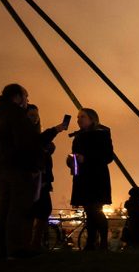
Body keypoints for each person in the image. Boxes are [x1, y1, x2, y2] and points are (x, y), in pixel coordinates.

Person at [0, 84, 45, 258]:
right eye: (25, 96)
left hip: (0, 166)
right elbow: (25, 144)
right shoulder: (17, 115)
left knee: (4, 206)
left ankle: (3, 249)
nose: (27, 100)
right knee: (18, 206)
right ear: (17, 96)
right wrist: (33, 167)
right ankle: (16, 248)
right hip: (17, 167)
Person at [69, 108, 115, 251]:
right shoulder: (78, 137)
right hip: (83, 178)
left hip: (97, 177)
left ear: (92, 119)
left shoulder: (102, 135)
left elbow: (108, 156)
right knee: (90, 211)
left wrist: (86, 158)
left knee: (95, 210)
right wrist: (71, 161)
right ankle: (92, 242)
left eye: (82, 117)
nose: (79, 120)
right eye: (78, 117)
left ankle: (101, 242)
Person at [26, 104, 66, 250]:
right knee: (41, 210)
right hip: (36, 179)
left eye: (36, 115)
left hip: (41, 179)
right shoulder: (27, 135)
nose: (35, 118)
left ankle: (33, 243)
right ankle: (34, 243)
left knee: (39, 210)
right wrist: (56, 130)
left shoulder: (34, 135)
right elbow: (37, 145)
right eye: (31, 115)